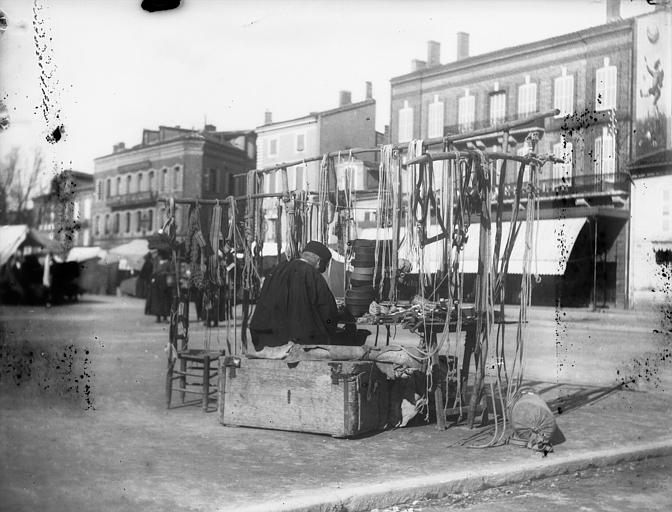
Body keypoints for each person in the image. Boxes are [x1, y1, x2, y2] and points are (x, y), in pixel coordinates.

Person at [250, 240, 349, 350]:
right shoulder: (313, 275)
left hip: (267, 340)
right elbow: (327, 312)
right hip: (303, 342)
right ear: (319, 262)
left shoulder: (277, 270)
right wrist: (333, 322)